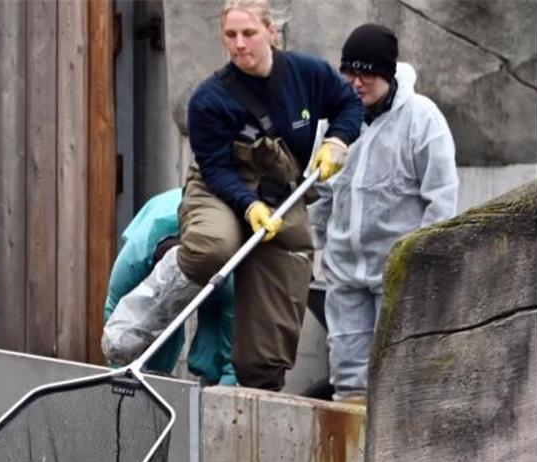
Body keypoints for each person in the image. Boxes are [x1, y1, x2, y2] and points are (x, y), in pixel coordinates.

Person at [103, 0, 363, 392]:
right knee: (213, 246)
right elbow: (215, 168)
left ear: (271, 32)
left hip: (280, 188)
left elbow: (349, 103)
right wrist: (249, 206)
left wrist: (337, 141)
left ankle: (258, 390)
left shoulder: (307, 74)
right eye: (230, 36)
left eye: (249, 34)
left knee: (279, 299)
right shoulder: (210, 98)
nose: (239, 44)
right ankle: (131, 328)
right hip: (220, 186)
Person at [310, 24, 458, 401]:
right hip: (344, 272)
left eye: (367, 74)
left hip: (397, 271)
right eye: (349, 73)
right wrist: (318, 244)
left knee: (398, 374)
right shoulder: (334, 119)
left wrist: (419, 259)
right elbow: (321, 190)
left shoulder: (422, 119)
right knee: (348, 379)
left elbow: (441, 197)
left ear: (387, 74)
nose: (356, 83)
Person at [104, 187, 237, 386]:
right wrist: (120, 375)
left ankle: (208, 383)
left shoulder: (226, 274)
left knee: (214, 346)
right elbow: (117, 319)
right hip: (163, 213)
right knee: (158, 327)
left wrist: (225, 393)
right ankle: (154, 382)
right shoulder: (133, 262)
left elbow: (231, 342)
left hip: (213, 233)